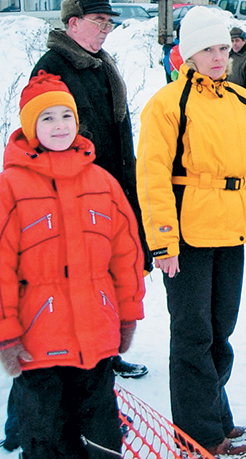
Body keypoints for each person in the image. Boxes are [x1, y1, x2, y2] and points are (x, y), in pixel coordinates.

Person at [137, 5, 246, 458]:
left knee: (221, 331)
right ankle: (198, 435)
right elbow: (153, 176)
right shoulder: (168, 104)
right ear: (189, 54)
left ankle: (214, 417)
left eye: (223, 47)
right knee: (192, 335)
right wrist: (163, 241)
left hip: (232, 231)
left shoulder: (243, 101)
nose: (219, 57)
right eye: (208, 49)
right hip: (186, 236)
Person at [0, 72, 145, 459]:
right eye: (47, 118)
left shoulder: (102, 182)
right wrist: (7, 334)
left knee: (99, 437)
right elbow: (1, 268)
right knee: (46, 436)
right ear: (31, 127)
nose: (59, 126)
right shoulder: (10, 187)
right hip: (38, 344)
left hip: (95, 340)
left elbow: (125, 255)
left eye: (66, 116)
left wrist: (127, 314)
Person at [30, 0, 150, 380]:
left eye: (109, 23)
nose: (106, 31)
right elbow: (43, 133)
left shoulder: (101, 64)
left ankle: (107, 350)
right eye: (100, 22)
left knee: (108, 271)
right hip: (72, 192)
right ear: (73, 23)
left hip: (110, 186)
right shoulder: (52, 66)